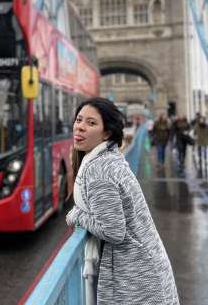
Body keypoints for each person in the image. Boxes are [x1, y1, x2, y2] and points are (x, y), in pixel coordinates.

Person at [66, 97, 179, 305]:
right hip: (148, 268)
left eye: (91, 123)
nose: (80, 127)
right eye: (79, 120)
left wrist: (77, 215)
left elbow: (112, 231)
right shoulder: (112, 158)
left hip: (136, 281)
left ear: (106, 133)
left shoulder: (98, 169)